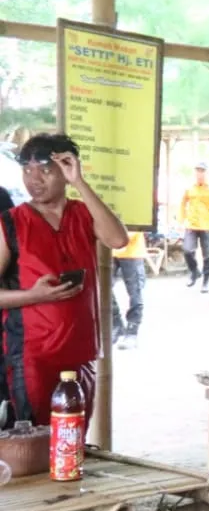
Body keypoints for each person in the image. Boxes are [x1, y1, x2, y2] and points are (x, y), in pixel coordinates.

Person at [0, 134, 128, 424]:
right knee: (34, 445)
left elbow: (118, 239)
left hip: (81, 353)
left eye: (45, 170)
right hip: (30, 356)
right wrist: (34, 296)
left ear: (67, 170)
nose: (34, 179)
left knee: (73, 445)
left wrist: (80, 183)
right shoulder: (11, 222)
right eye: (27, 170)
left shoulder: (82, 213)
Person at [179, 162, 209, 289]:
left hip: (206, 225)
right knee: (187, 250)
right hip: (191, 224)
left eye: (202, 171)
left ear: (206, 173)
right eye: (197, 171)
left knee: (207, 256)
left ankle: (206, 282)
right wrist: (181, 220)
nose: (199, 173)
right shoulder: (189, 188)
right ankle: (194, 271)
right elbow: (182, 204)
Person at [110, 231, 147, 349]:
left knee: (135, 292)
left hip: (132, 251)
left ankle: (132, 332)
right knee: (102, 289)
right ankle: (116, 324)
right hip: (109, 250)